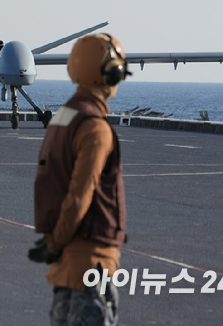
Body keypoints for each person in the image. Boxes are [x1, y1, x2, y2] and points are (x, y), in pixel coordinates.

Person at [29, 34, 131, 325]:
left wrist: (53, 241)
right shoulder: (95, 127)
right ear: (109, 73)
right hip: (92, 263)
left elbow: (52, 180)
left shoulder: (64, 117)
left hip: (67, 267)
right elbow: (80, 195)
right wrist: (55, 243)